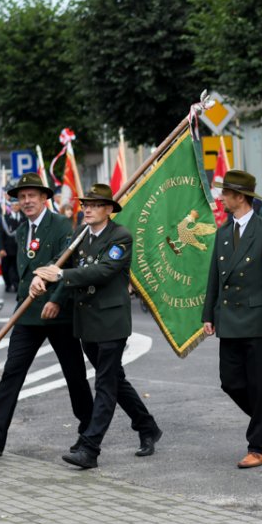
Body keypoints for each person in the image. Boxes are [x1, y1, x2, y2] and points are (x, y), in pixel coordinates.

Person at [33, 183, 162, 470]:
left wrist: (60, 275)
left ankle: (90, 448)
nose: (87, 209)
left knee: (104, 384)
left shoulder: (121, 237)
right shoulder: (81, 236)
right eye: (85, 205)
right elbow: (61, 261)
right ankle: (147, 425)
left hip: (111, 322)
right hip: (87, 322)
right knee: (114, 379)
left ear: (108, 209)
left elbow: (102, 271)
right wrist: (44, 278)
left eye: (93, 205)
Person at [0, 172, 93, 459]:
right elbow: (26, 274)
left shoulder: (61, 224)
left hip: (57, 314)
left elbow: (67, 264)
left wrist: (57, 300)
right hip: (28, 313)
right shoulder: (23, 230)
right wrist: (22, 302)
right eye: (22, 197)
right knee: (12, 373)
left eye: (31, 196)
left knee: (74, 374)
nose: (26, 201)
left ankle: (89, 433)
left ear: (44, 197)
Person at [202, 170, 262, 469]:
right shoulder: (223, 232)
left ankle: (258, 447)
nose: (221, 198)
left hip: (258, 319)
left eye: (225, 193)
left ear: (240, 197)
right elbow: (215, 276)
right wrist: (208, 314)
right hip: (229, 319)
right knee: (231, 382)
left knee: (260, 384)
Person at [0, 197, 24, 293]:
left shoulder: (24, 218)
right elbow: (0, 235)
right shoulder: (5, 218)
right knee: (5, 268)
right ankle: (8, 284)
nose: (15, 207)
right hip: (7, 248)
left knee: (17, 267)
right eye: (13, 205)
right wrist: (1, 248)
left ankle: (16, 285)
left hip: (19, 248)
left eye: (17, 205)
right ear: (10, 206)